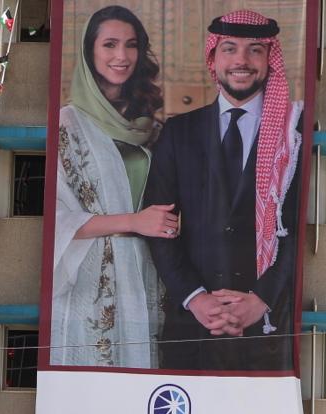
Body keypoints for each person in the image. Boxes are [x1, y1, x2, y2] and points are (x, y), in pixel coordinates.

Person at [145, 9, 305, 372]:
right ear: (213, 58)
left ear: (269, 59)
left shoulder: (294, 136)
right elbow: (159, 226)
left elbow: (299, 229)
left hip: (269, 329)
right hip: (192, 329)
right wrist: (196, 299)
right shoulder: (179, 132)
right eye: (230, 48)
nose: (241, 61)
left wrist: (261, 300)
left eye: (255, 50)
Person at [53, 5, 169, 368]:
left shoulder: (150, 126)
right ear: (89, 51)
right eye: (110, 44)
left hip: (148, 271)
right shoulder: (66, 125)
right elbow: (57, 219)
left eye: (131, 45)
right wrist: (134, 222)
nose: (122, 56)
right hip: (91, 277)